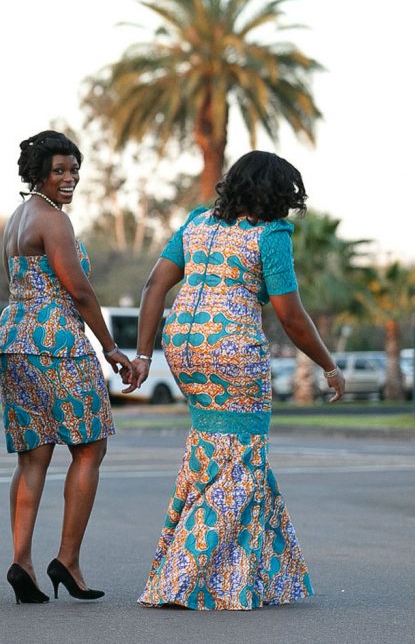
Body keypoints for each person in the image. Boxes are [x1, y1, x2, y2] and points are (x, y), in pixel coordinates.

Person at [128, 150, 345, 610]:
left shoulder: (197, 223)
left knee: (214, 453)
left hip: (185, 346)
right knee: (243, 458)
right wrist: (328, 364)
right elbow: (291, 315)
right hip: (233, 352)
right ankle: (183, 575)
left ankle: (248, 578)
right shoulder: (271, 234)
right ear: (274, 195)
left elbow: (153, 287)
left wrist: (145, 355)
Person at [0, 131, 132, 604]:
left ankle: (21, 561)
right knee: (89, 448)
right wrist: (110, 346)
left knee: (34, 455)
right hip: (57, 342)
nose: (69, 179)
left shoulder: (18, 217)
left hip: (12, 339)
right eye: (59, 171)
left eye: (73, 170)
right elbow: (80, 290)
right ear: (38, 173)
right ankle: (66, 560)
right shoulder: (53, 220)